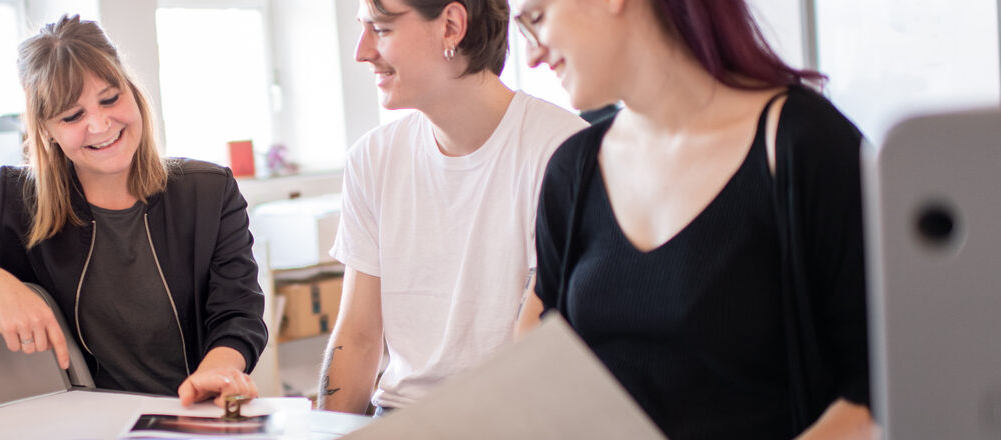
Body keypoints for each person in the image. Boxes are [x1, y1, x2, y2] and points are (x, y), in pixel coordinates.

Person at [0, 15, 266, 408]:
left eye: (110, 98)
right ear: (46, 130)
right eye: (73, 116)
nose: (101, 124)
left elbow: (238, 314)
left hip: (193, 413)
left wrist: (217, 371)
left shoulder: (208, 191)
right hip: (88, 421)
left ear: (133, 92)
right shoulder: (13, 201)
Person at [514, 0, 873, 438]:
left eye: (537, 18)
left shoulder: (806, 145)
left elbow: (876, 386)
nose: (531, 56)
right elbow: (542, 347)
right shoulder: (573, 171)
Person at [318, 0, 588, 415]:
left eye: (382, 29)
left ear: (451, 26)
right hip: (399, 418)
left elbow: (534, 350)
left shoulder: (562, 150)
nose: (362, 51)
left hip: (506, 421)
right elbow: (357, 337)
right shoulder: (372, 159)